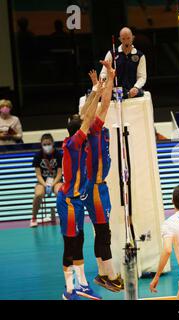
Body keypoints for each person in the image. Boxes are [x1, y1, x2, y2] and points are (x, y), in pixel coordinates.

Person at [57, 74, 105, 300]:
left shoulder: (77, 140)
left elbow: (86, 115)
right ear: (78, 131)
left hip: (76, 200)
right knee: (70, 244)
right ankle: (68, 290)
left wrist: (97, 89)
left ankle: (83, 284)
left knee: (80, 240)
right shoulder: (74, 144)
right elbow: (87, 119)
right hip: (67, 201)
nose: (85, 121)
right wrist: (96, 91)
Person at [81, 64, 124, 292]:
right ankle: (111, 276)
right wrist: (104, 85)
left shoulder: (89, 129)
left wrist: (99, 86)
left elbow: (98, 105)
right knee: (104, 233)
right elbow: (103, 104)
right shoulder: (91, 131)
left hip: (96, 187)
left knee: (100, 231)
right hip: (96, 189)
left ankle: (100, 273)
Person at [100, 27, 147, 99]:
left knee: (139, 92)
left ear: (133, 38)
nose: (126, 41)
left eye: (128, 38)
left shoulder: (140, 55)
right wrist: (105, 83)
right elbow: (103, 73)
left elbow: (142, 77)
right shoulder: (111, 53)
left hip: (131, 91)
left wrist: (136, 87)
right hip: (115, 91)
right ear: (120, 39)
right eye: (123, 39)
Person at [30, 133, 63, 227]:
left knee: (60, 192)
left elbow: (60, 174)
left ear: (53, 143)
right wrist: (45, 184)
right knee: (38, 194)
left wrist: (52, 184)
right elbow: (38, 175)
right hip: (42, 182)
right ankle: (33, 217)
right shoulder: (38, 155)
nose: (46, 146)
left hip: (56, 181)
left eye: (48, 144)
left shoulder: (58, 154)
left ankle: (63, 217)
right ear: (41, 145)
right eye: (44, 144)